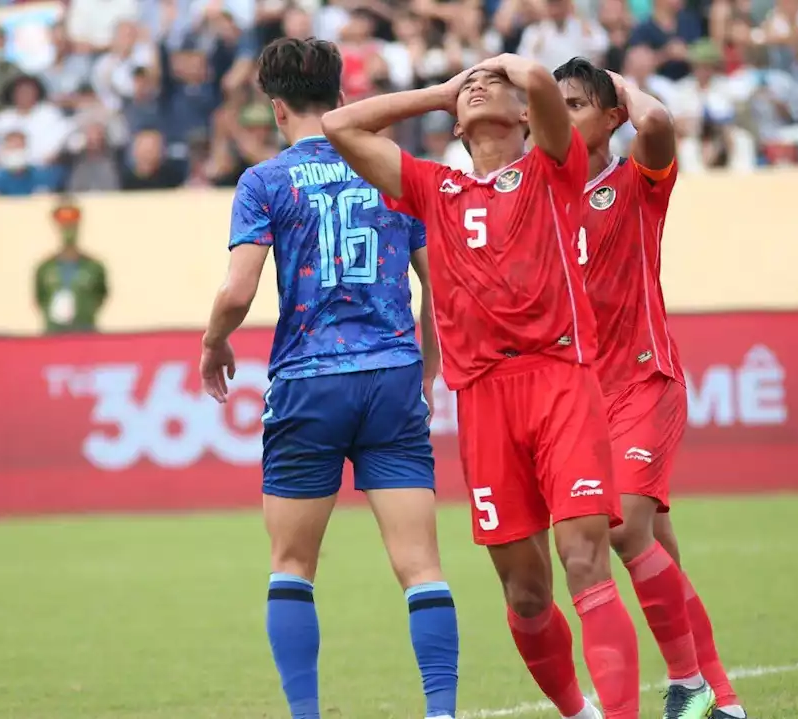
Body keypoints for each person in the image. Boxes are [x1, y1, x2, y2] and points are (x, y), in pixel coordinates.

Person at [322, 53, 642, 719]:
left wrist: (505, 66)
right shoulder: (434, 188)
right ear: (457, 125)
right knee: (525, 592)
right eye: (469, 89)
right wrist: (440, 91)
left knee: (583, 557)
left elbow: (539, 85)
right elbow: (340, 125)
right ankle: (577, 711)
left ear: (526, 111)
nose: (479, 85)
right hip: (483, 399)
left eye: (491, 82)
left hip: (559, 379)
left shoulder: (553, 166)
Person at [197, 38, 460, 718]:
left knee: (293, 564)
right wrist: (426, 367)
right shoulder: (396, 173)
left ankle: (306, 714)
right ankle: (442, 711)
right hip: (391, 375)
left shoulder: (266, 181)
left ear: (275, 106)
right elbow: (439, 287)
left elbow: (236, 290)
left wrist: (213, 343)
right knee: (421, 566)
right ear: (343, 95)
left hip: (310, 380)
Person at [555, 57, 748, 719]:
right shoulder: (538, 193)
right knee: (655, 548)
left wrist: (617, 83)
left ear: (611, 117)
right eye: (556, 106)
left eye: (577, 104)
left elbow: (659, 121)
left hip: (644, 378)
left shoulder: (637, 181)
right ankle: (722, 697)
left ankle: (687, 685)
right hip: (581, 398)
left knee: (623, 530)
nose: (563, 116)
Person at [33, 198, 109, 335]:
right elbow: (40, 298)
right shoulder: (45, 268)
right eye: (64, 224)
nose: (68, 229)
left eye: (72, 224)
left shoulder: (93, 267)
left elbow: (101, 295)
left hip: (86, 333)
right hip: (53, 335)